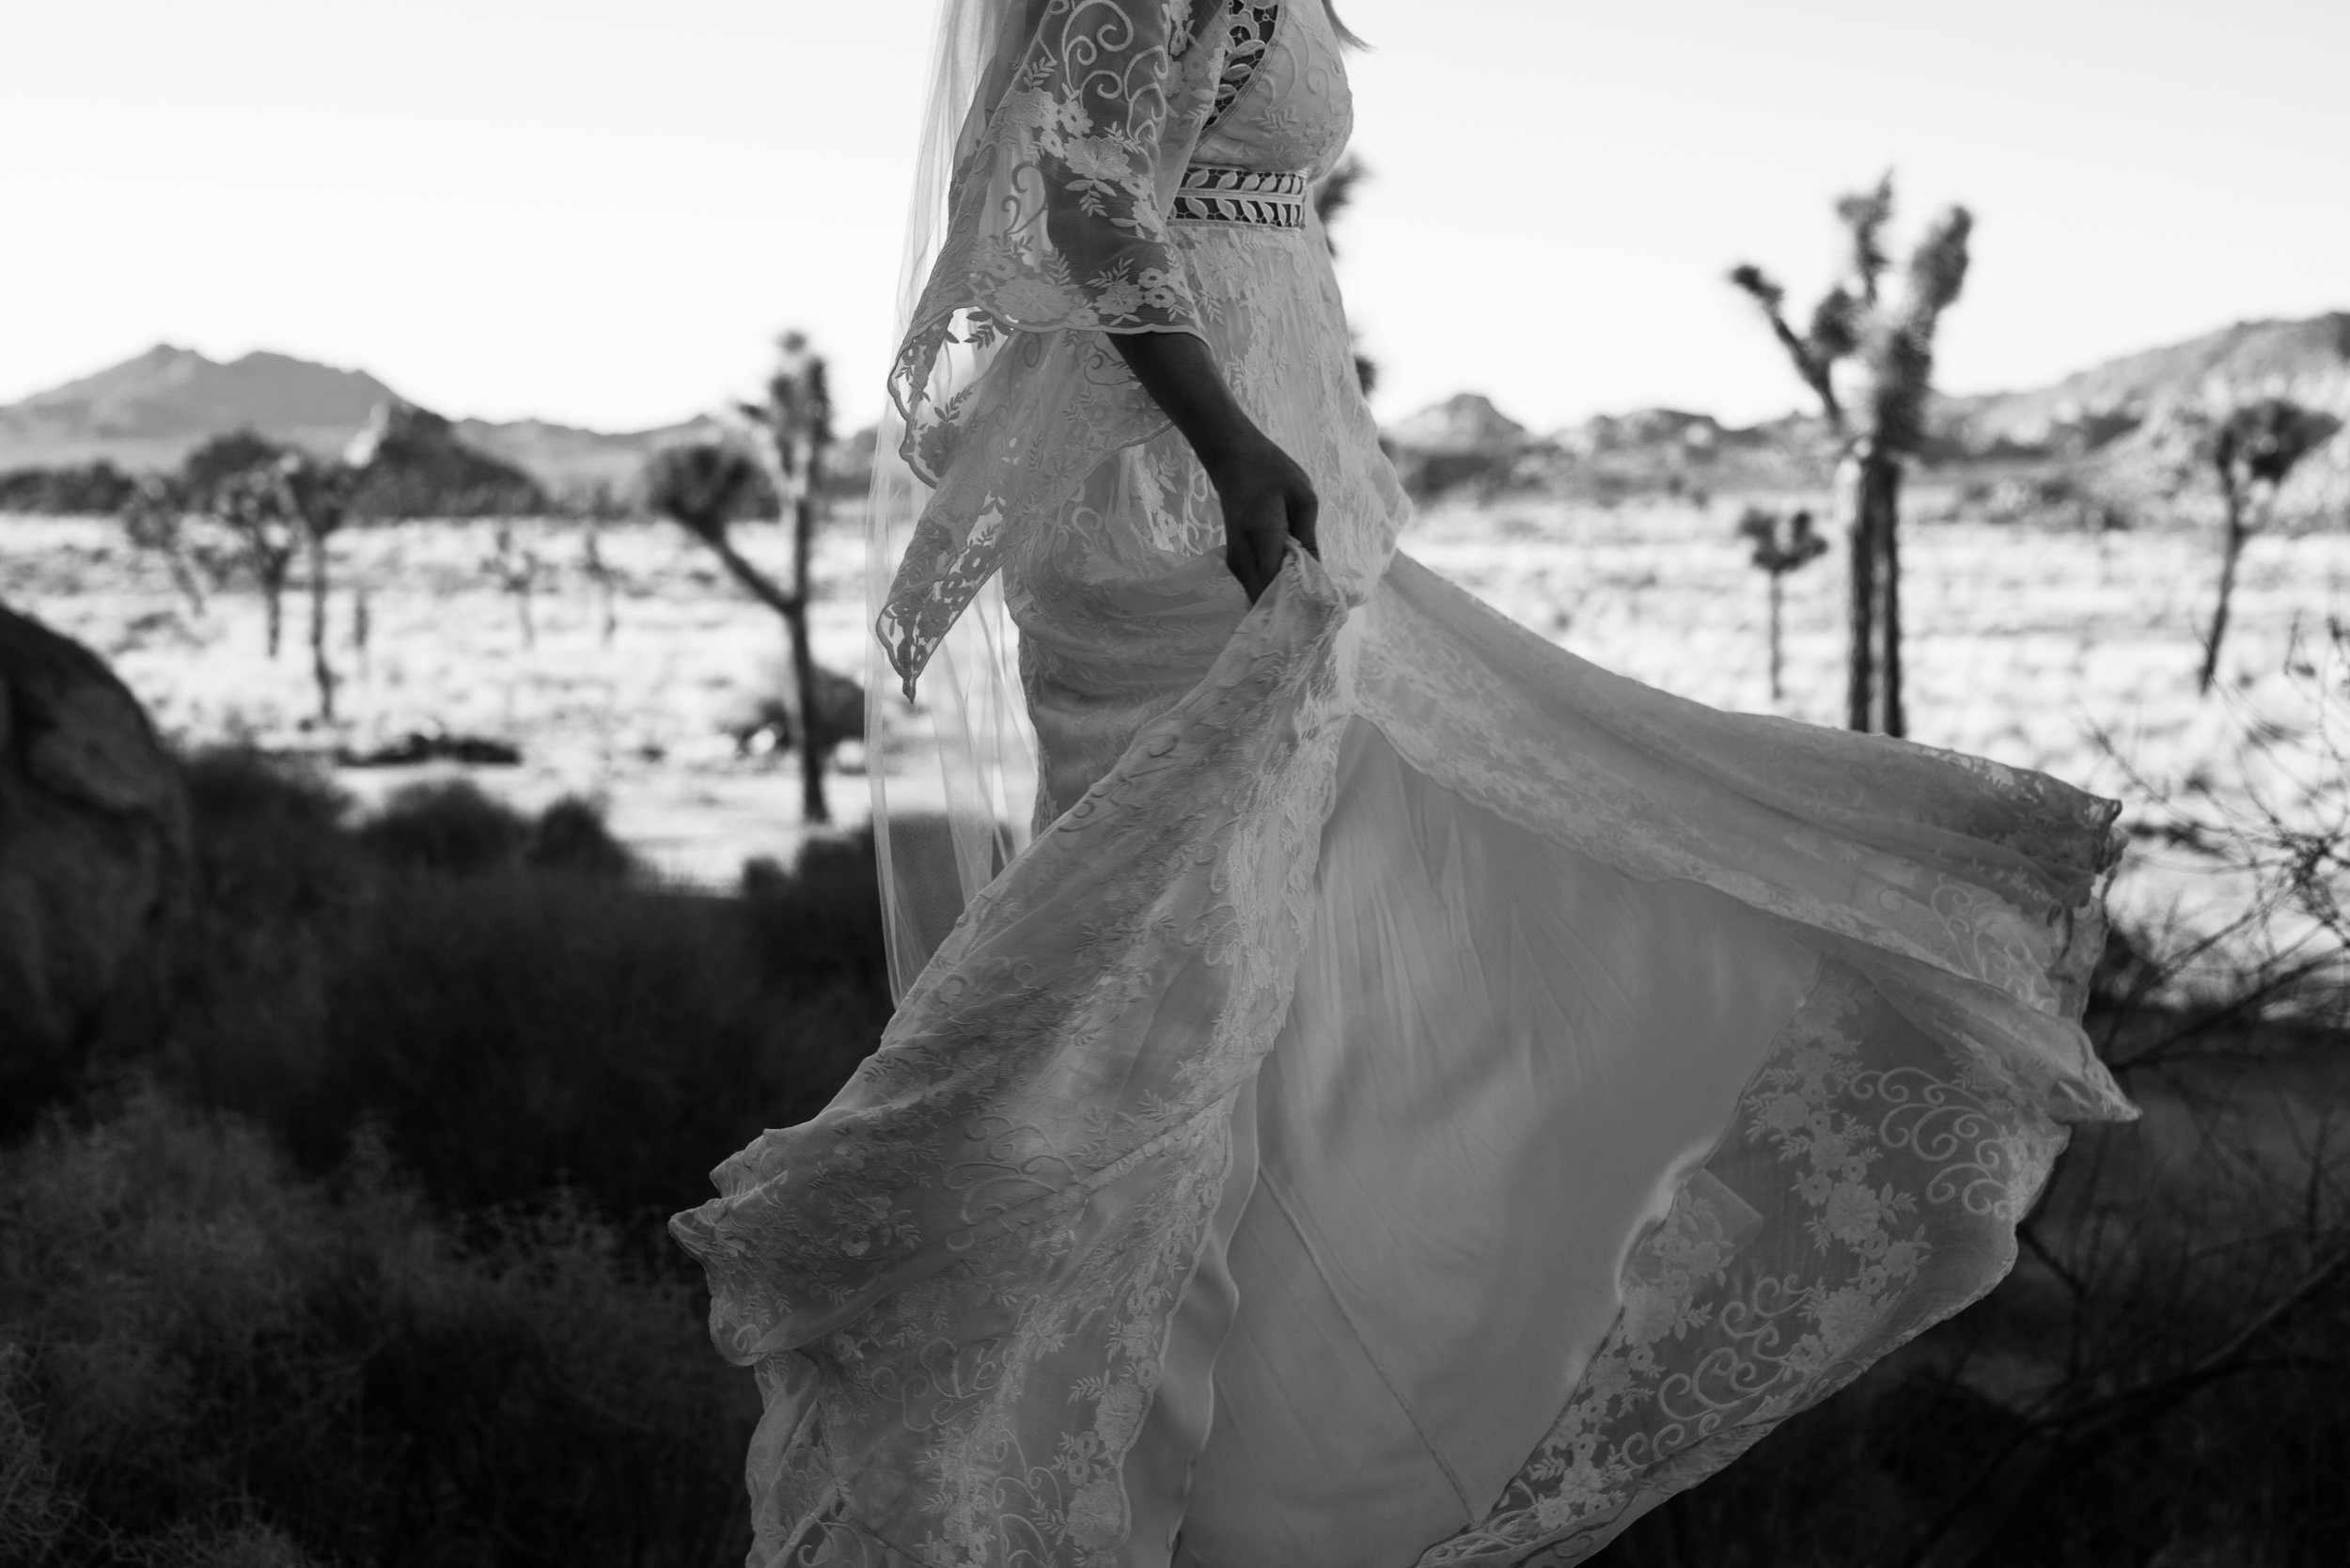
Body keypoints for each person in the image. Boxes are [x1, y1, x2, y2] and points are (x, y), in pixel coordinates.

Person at [670, 3, 2137, 1564]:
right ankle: (1066, 1507)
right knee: (1178, 1027)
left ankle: (1250, 1509)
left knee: (1307, 1018)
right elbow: (1088, 189)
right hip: (1196, 520)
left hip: (1271, 489)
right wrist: (1232, 443)